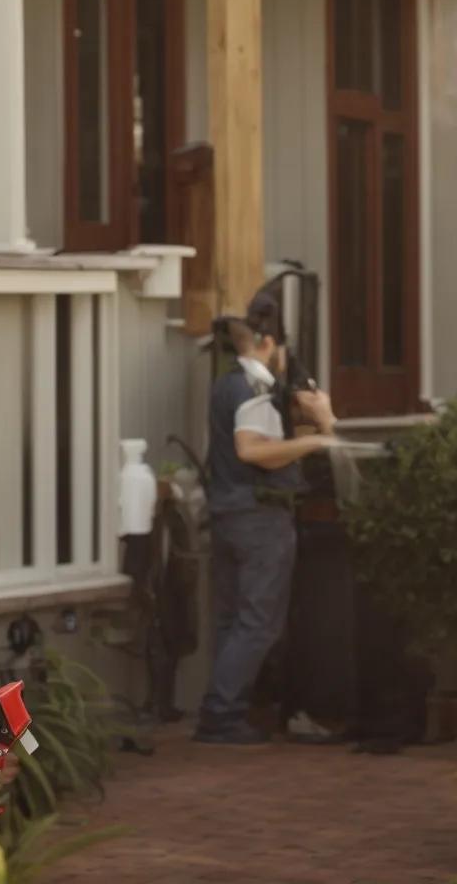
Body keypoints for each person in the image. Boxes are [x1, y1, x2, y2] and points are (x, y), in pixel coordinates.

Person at [194, 291, 337, 746]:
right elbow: (253, 448)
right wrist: (323, 437)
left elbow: (262, 436)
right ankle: (221, 716)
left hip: (228, 513)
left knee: (233, 618)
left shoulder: (227, 383)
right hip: (259, 517)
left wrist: (309, 417)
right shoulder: (256, 387)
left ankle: (221, 708)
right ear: (270, 342)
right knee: (258, 622)